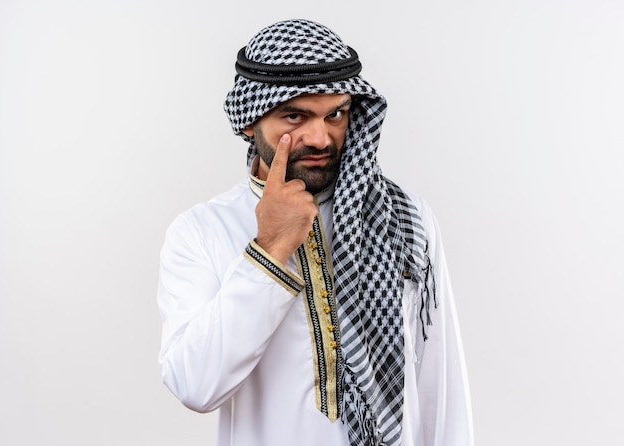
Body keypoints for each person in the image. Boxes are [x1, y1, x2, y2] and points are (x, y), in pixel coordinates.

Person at [157, 18, 473, 446]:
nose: (320, 137)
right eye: (295, 116)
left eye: (336, 115)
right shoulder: (202, 232)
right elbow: (194, 385)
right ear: (250, 123)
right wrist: (269, 251)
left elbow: (440, 380)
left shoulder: (406, 217)